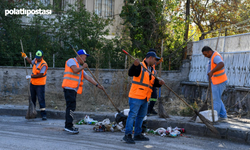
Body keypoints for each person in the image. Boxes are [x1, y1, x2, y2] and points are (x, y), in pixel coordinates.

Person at [123, 51, 165, 144]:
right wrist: (134, 65)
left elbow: (152, 83)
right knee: (132, 115)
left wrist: (159, 83)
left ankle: (137, 134)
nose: (156, 62)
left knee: (141, 116)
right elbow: (131, 73)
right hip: (136, 96)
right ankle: (128, 135)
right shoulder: (140, 66)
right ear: (150, 58)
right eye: (155, 59)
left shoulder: (153, 71)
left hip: (145, 97)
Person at [62, 49, 104, 134]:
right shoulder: (71, 61)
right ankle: (68, 126)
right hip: (69, 88)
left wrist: (97, 85)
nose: (85, 59)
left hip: (73, 89)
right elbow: (74, 70)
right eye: (85, 57)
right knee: (70, 107)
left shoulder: (78, 65)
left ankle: (69, 125)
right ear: (80, 56)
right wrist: (83, 67)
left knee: (71, 107)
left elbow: (87, 77)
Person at [202, 46, 228, 121]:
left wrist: (212, 71)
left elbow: (221, 64)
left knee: (216, 100)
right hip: (216, 81)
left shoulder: (215, 57)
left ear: (210, 52)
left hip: (219, 82)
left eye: (206, 54)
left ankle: (214, 117)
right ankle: (223, 115)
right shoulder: (212, 57)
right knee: (217, 99)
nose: (205, 56)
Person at [21, 50, 48, 120]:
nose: (37, 59)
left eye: (39, 57)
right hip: (33, 83)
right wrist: (26, 57)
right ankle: (32, 113)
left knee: (41, 99)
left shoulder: (44, 64)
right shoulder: (35, 60)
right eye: (36, 57)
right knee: (32, 99)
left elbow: (40, 74)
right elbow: (31, 62)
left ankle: (43, 115)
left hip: (40, 84)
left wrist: (30, 76)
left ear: (42, 57)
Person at [146, 48, 164, 116]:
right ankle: (147, 110)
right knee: (147, 98)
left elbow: (156, 64)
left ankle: (151, 108)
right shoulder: (146, 63)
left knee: (154, 97)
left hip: (153, 81)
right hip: (147, 83)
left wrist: (160, 61)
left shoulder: (153, 63)